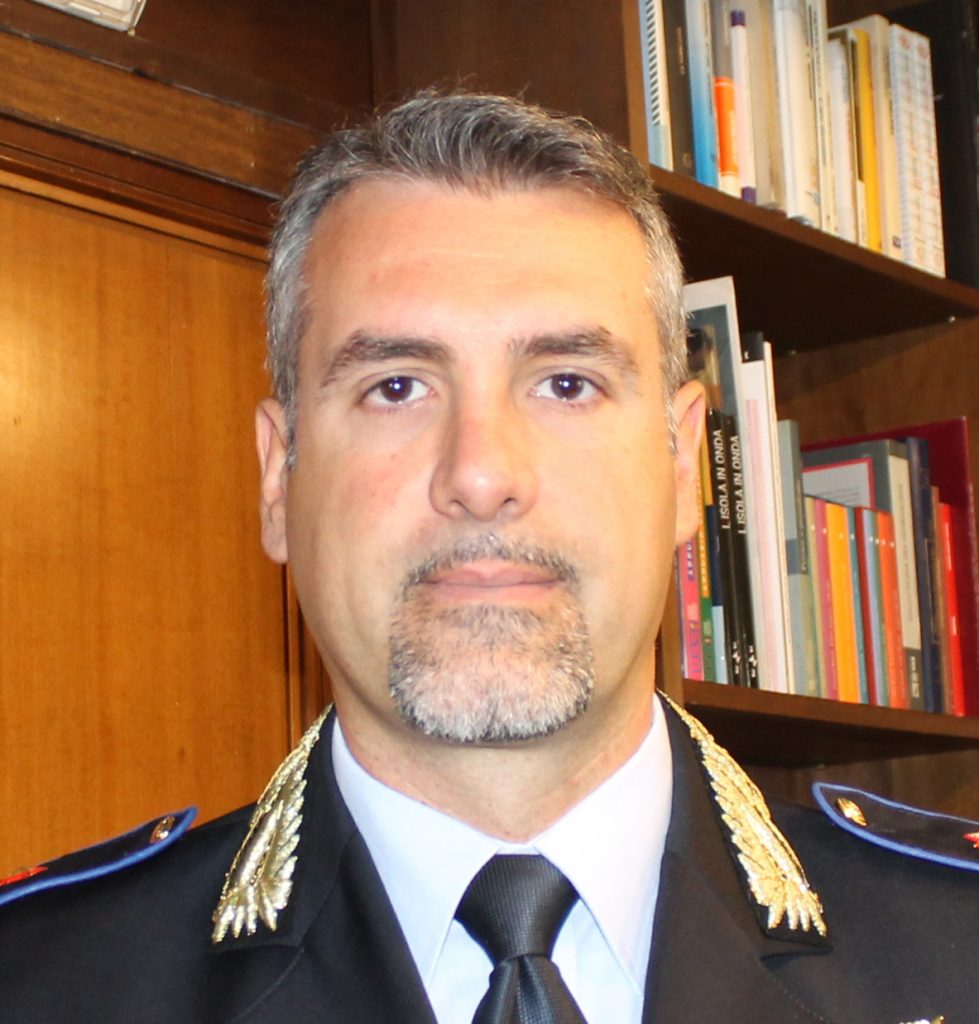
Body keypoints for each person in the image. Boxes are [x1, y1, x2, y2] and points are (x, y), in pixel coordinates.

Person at [0, 90, 976, 1024]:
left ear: (684, 467)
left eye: (565, 383)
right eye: (395, 386)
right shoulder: (41, 984)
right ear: (276, 479)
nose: (479, 474)